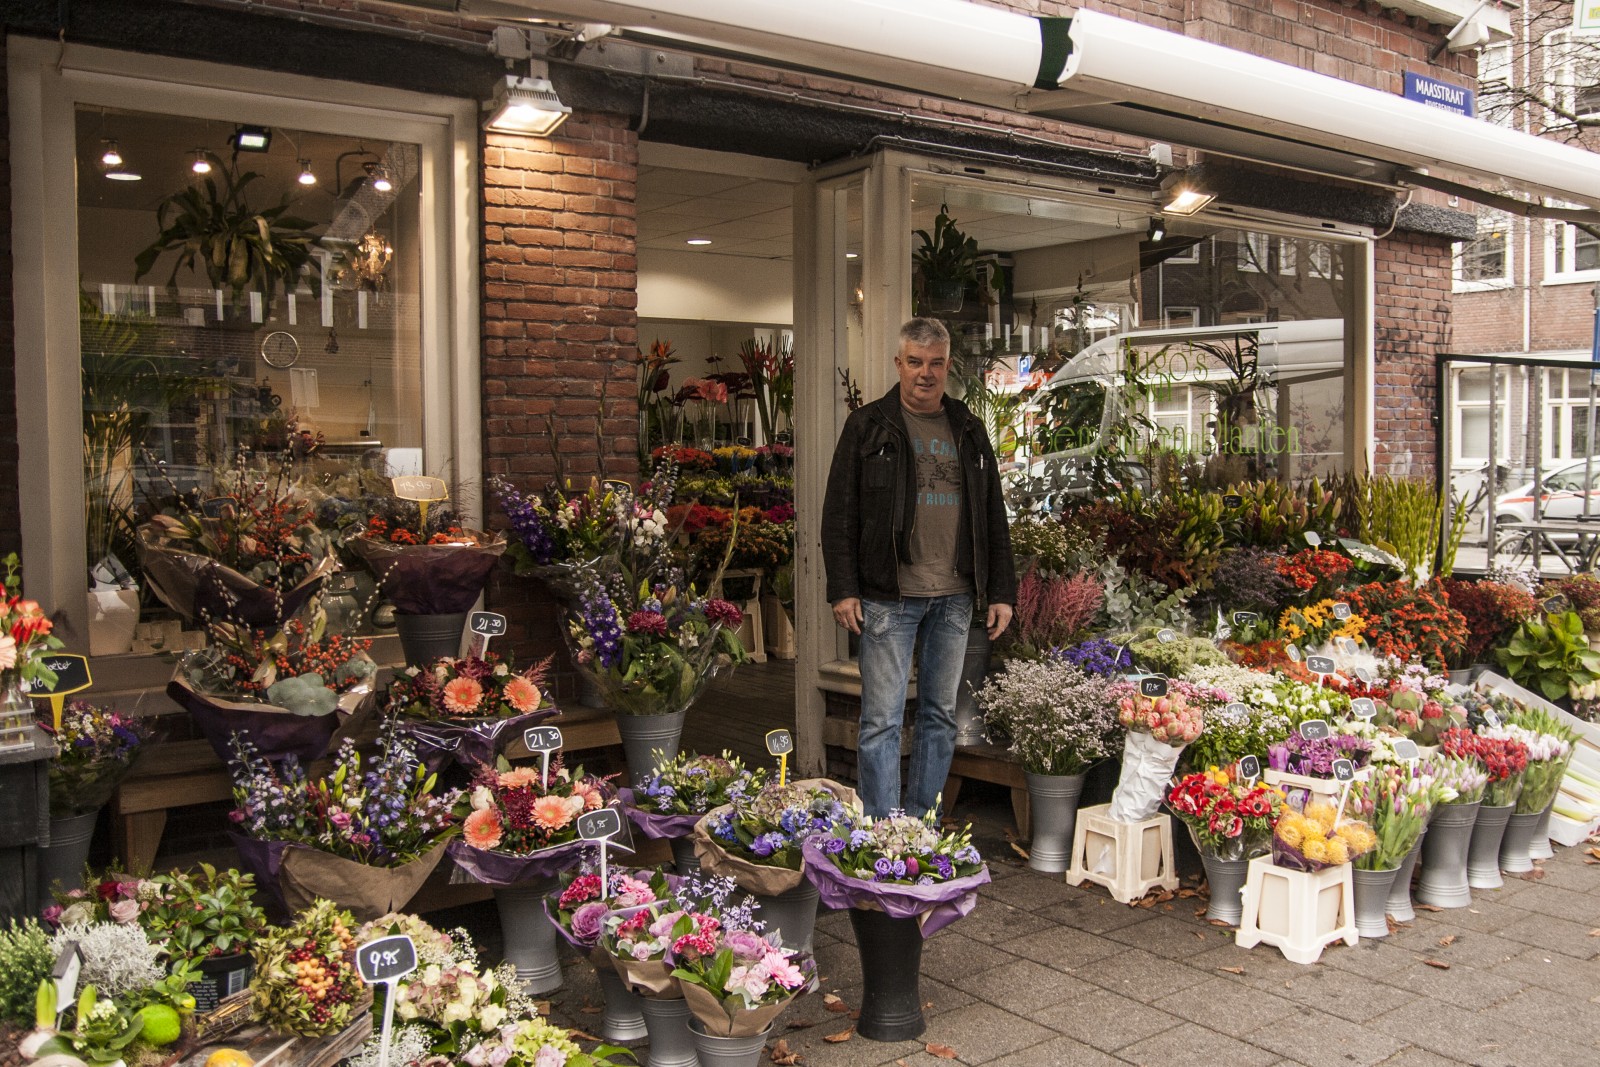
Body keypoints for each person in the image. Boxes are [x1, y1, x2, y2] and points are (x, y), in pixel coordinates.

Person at [822, 317, 1016, 818]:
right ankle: (884, 830)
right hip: (889, 596)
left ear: (947, 366)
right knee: (881, 720)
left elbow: (993, 513)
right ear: (898, 364)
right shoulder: (867, 427)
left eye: (934, 364)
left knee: (939, 717)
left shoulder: (969, 428)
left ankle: (921, 823)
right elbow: (839, 512)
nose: (924, 374)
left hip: (954, 595)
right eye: (914, 363)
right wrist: (844, 588)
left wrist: (1001, 590)